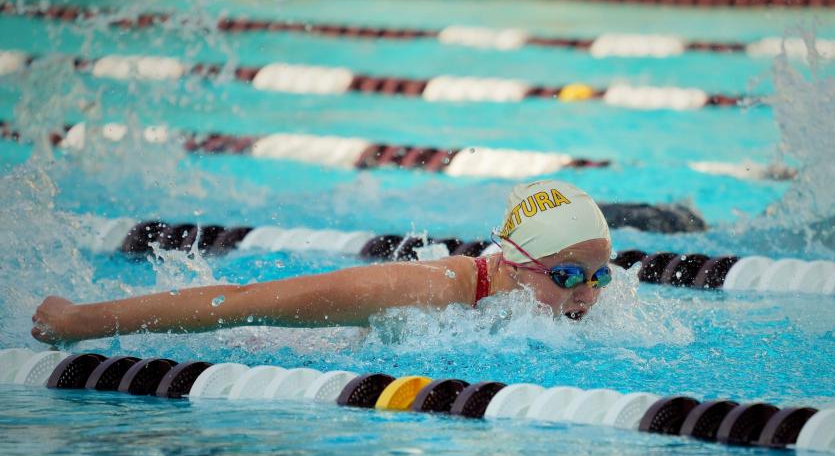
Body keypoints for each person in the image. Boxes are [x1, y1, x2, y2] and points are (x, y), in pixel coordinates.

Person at [31, 180, 613, 344]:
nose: (586, 294)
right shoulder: (420, 289)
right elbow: (237, 304)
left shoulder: (586, 301)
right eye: (566, 276)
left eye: (599, 275)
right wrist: (80, 323)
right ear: (515, 264)